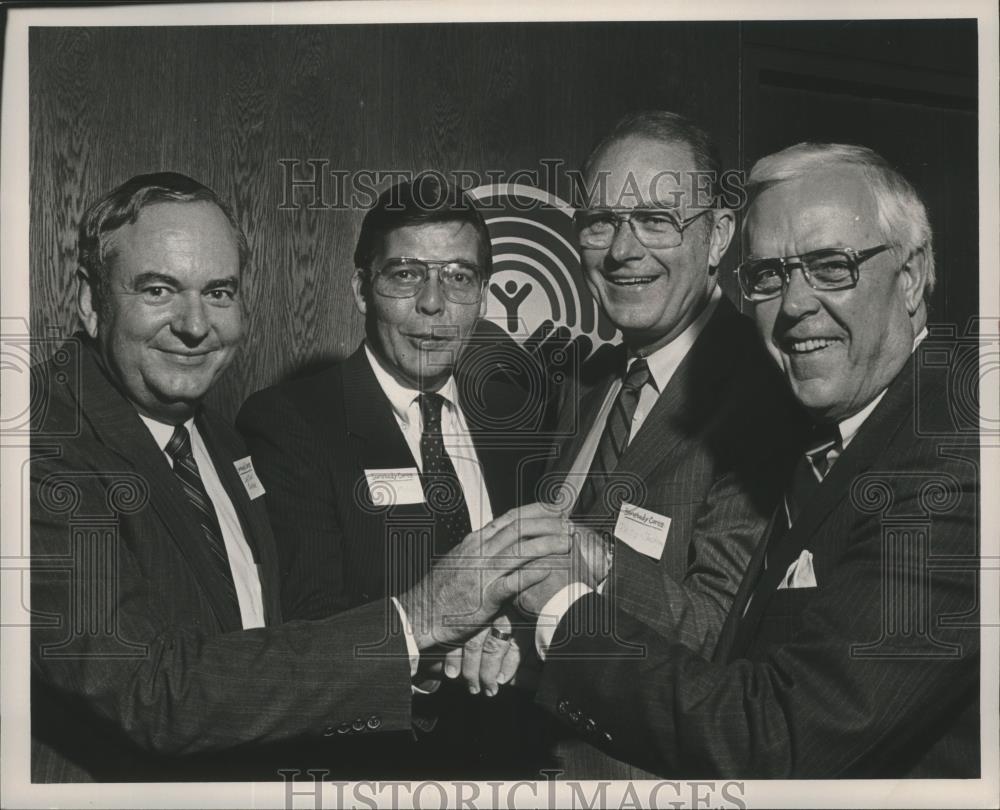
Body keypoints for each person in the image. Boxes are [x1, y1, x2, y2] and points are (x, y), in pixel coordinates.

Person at [29, 172, 563, 782]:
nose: (195, 324)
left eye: (220, 292)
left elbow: (259, 635)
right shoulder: (39, 447)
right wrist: (417, 622)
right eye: (158, 290)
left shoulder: (216, 441)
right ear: (91, 300)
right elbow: (151, 693)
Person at [518, 143, 979, 778]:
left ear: (910, 275)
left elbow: (780, 741)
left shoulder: (954, 467)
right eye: (769, 275)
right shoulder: (833, 431)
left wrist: (562, 611)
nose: (793, 307)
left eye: (831, 266)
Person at [492, 111, 803, 778]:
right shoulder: (595, 381)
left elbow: (723, 637)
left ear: (719, 234)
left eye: (657, 220)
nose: (622, 251)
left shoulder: (767, 398)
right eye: (600, 221)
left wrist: (597, 561)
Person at [236, 174, 551, 776]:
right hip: (383, 762)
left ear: (483, 295)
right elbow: (310, 619)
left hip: (521, 755)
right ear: (361, 288)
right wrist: (443, 652)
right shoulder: (291, 422)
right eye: (406, 274)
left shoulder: (521, 415)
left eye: (458, 277)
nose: (433, 303)